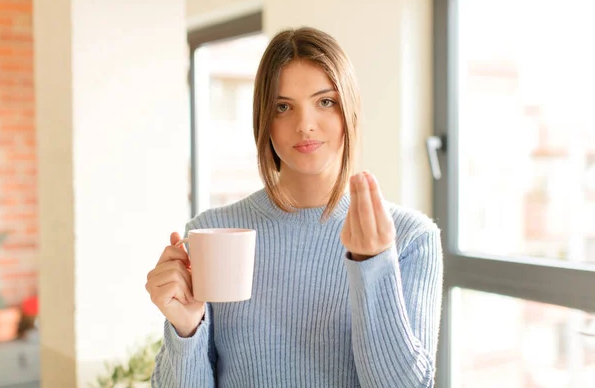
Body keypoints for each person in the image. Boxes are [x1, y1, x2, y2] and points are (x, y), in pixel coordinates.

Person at [146, 26, 443, 388]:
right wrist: (186, 328)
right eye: (283, 107)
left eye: (325, 102)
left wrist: (373, 266)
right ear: (263, 120)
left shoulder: (411, 238)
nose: (304, 125)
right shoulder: (213, 232)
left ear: (349, 110)